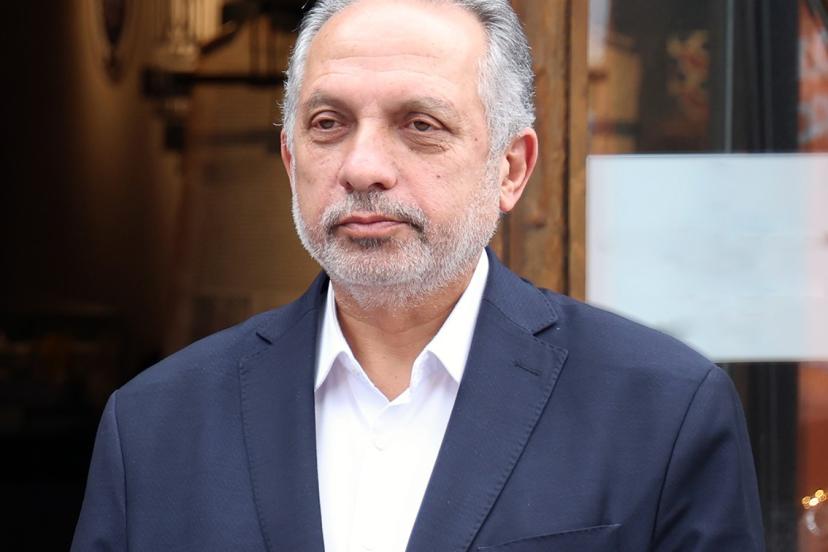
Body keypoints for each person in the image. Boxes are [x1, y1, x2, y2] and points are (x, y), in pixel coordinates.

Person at [72, 0, 764, 550]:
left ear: (511, 168)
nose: (362, 166)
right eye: (328, 123)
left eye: (420, 124)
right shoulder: (155, 426)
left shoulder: (662, 411)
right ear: (290, 159)